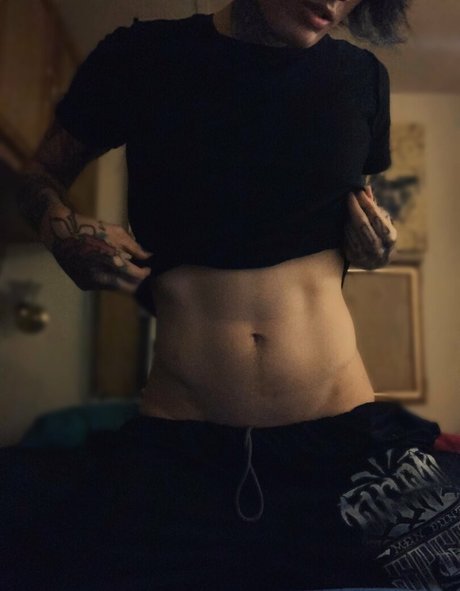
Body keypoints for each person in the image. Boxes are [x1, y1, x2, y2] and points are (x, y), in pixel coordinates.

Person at [2, 1, 460, 590]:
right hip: (184, 444)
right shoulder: (142, 57)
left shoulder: (363, 78)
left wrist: (375, 248)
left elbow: (353, 213)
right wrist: (60, 233)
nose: (334, 2)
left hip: (343, 437)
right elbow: (35, 176)